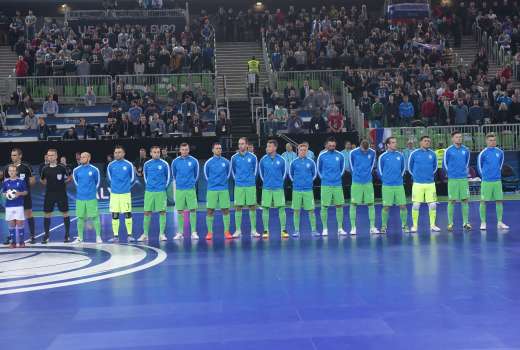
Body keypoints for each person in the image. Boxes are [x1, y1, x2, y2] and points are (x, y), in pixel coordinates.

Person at [2, 148, 36, 245]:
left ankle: (32, 236)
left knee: (28, 214)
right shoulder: (7, 168)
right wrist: (10, 193)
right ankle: (11, 237)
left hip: (24, 196)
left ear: (20, 156)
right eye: (12, 155)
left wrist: (22, 188)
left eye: (15, 155)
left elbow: (33, 180)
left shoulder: (26, 166)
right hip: (12, 200)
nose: (13, 157)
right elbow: (5, 181)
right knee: (11, 218)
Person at [477, 133, 509, 230]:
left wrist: (496, 175)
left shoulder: (500, 152)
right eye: (490, 140)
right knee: (483, 202)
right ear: (486, 141)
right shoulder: (483, 153)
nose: (492, 142)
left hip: (497, 181)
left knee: (499, 201)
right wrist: (485, 176)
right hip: (486, 181)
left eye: (494, 140)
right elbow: (479, 166)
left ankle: (499, 222)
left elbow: (500, 165)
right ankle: (483, 222)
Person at [408, 136, 440, 232]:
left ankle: (433, 225)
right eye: (425, 141)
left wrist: (428, 175)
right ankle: (414, 226)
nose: (427, 142)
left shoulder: (433, 154)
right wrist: (417, 177)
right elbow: (409, 167)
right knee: (416, 205)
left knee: (433, 205)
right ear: (420, 142)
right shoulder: (414, 153)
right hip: (418, 183)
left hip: (430, 184)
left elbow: (435, 167)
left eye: (429, 141)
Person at [259, 139, 289, 239]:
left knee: (281, 208)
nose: (267, 148)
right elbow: (261, 173)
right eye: (267, 146)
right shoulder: (263, 159)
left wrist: (279, 183)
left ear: (275, 147)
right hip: (266, 188)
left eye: (269, 146)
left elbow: (284, 173)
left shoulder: (281, 159)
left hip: (278, 188)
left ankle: (283, 230)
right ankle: (265, 230)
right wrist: (266, 182)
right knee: (265, 208)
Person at [40, 149, 72, 243]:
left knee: (65, 213)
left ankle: (67, 235)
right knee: (47, 214)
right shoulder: (45, 168)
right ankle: (46, 235)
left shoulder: (62, 167)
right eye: (49, 155)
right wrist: (49, 184)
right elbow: (42, 180)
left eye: (52, 155)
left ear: (56, 156)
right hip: (49, 194)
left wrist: (62, 183)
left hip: (61, 193)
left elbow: (70, 177)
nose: (50, 157)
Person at [377, 137, 408, 233]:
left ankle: (404, 225)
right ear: (388, 145)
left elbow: (403, 169)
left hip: (399, 185)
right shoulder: (382, 156)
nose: (395, 144)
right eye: (393, 142)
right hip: (387, 186)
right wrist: (386, 180)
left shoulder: (400, 155)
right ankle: (383, 226)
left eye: (395, 142)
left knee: (403, 206)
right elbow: (379, 171)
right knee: (386, 207)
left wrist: (399, 178)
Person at [317, 137, 346, 236]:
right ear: (326, 145)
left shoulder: (340, 155)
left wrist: (338, 177)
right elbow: (319, 169)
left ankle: (340, 228)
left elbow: (342, 168)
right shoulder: (322, 156)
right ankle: (325, 228)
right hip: (326, 184)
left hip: (337, 184)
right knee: (324, 206)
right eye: (330, 145)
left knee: (339, 206)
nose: (332, 147)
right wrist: (324, 178)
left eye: (333, 146)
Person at [230, 137, 259, 238]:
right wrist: (237, 180)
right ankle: (238, 230)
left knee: (252, 207)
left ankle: (253, 230)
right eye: (239, 144)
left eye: (242, 143)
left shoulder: (253, 157)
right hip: (239, 186)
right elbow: (232, 170)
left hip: (250, 185)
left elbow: (255, 171)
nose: (240, 145)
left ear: (247, 145)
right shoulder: (234, 157)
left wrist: (251, 179)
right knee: (238, 207)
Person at [203, 142, 232, 240]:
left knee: (226, 210)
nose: (218, 150)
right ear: (213, 150)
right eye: (216, 148)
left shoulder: (226, 162)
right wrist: (213, 183)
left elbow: (228, 174)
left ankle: (227, 232)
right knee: (210, 210)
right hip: (212, 190)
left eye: (220, 148)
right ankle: (210, 232)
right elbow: (206, 175)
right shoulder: (208, 162)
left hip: (223, 189)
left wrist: (222, 182)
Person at [443, 131, 471, 231]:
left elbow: (467, 162)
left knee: (465, 200)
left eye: (460, 137)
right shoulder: (448, 150)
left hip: (463, 179)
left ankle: (466, 222)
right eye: (457, 137)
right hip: (453, 179)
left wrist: (464, 173)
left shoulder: (466, 150)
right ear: (452, 139)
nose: (459, 138)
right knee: (451, 201)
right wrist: (449, 174)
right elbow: (444, 164)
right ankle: (450, 223)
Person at [349, 140, 378, 235]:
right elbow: (351, 166)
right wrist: (358, 175)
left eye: (366, 150)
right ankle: (353, 228)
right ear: (360, 146)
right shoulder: (353, 152)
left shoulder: (373, 152)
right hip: (356, 182)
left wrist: (366, 175)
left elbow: (371, 166)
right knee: (353, 204)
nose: (365, 152)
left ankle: (372, 227)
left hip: (368, 182)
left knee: (371, 204)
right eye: (363, 150)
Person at [106, 146, 135, 241]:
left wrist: (125, 187)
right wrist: (116, 187)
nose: (117, 154)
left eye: (119, 152)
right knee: (115, 214)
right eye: (115, 152)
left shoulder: (129, 164)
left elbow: (132, 178)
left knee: (127, 214)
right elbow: (109, 179)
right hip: (114, 194)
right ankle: (115, 236)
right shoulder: (110, 165)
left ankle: (130, 235)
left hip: (125, 194)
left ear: (123, 153)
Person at [72, 152, 102, 244]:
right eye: (81, 157)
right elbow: (76, 182)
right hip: (80, 198)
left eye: (84, 157)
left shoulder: (94, 169)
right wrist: (82, 191)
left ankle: (98, 236)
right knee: (80, 217)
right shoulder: (76, 170)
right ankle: (80, 237)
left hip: (91, 197)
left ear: (89, 158)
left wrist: (91, 191)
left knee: (95, 217)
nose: (81, 159)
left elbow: (97, 182)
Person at [142, 146, 170, 242]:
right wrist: (150, 185)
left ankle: (162, 234)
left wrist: (162, 187)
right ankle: (145, 234)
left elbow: (168, 177)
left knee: (162, 212)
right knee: (146, 212)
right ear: (150, 153)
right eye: (154, 152)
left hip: (160, 191)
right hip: (149, 191)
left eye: (158, 152)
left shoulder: (164, 164)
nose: (157, 154)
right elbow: (145, 177)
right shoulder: (147, 164)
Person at [171, 143, 199, 240]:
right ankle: (180, 232)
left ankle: (194, 232)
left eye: (186, 149)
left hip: (190, 189)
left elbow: (196, 175)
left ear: (188, 150)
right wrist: (180, 183)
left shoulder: (194, 161)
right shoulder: (175, 162)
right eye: (182, 149)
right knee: (179, 211)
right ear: (180, 150)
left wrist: (190, 183)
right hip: (179, 189)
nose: (184, 151)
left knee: (193, 210)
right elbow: (174, 175)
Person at [289, 143, 318, 237]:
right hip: (297, 189)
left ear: (307, 151)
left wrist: (308, 182)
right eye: (301, 150)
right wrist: (297, 182)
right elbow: (290, 174)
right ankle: (296, 230)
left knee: (311, 211)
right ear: (298, 151)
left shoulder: (311, 162)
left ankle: (314, 230)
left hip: (308, 190)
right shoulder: (293, 162)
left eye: (305, 150)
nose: (303, 151)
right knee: (296, 211)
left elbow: (314, 174)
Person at [2, 164, 27, 248]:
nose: (12, 172)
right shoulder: (5, 182)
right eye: (10, 171)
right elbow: (3, 192)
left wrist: (19, 193)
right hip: (9, 206)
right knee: (11, 223)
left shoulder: (21, 181)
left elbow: (26, 192)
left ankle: (22, 242)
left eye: (13, 171)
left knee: (20, 223)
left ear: (16, 171)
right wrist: (6, 194)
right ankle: (13, 242)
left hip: (19, 205)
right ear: (8, 172)